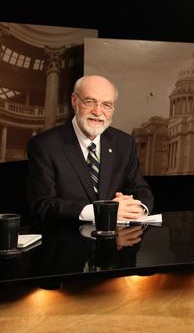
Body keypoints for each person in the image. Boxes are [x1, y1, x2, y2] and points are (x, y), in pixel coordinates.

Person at [27, 75, 153, 223]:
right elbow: (43, 205)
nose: (98, 112)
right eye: (90, 102)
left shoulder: (125, 143)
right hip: (66, 240)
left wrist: (137, 208)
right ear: (74, 101)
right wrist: (104, 211)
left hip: (116, 241)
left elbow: (141, 190)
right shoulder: (44, 145)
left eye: (106, 105)